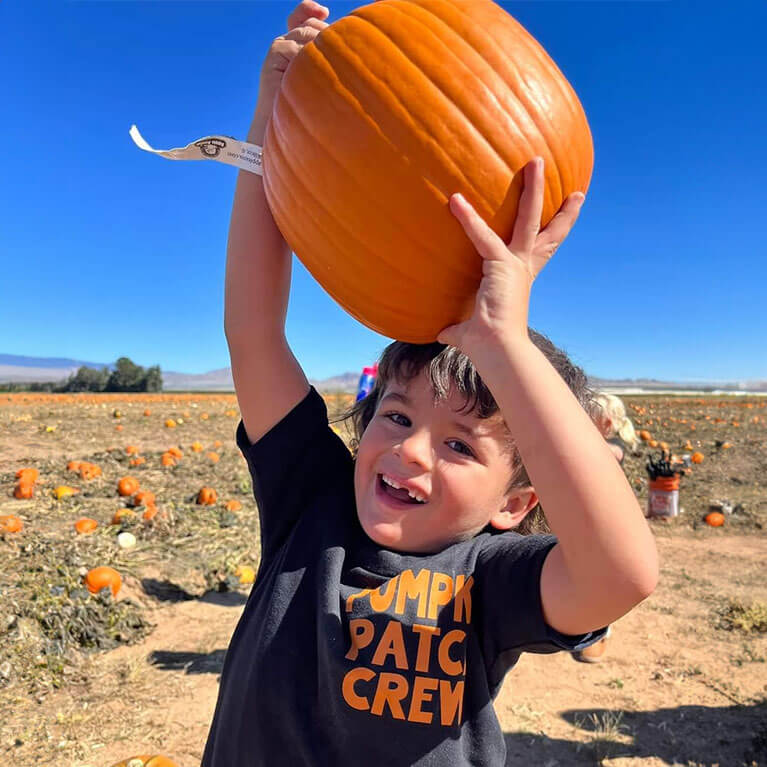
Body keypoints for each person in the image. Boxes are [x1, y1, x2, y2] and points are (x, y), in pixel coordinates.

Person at [203, 2, 659, 764]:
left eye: (458, 443)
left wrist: (501, 340)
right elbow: (252, 330)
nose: (411, 451)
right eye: (394, 415)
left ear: (515, 502)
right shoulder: (307, 505)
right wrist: (269, 131)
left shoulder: (491, 583)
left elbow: (622, 573)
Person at [570, 392, 638, 664]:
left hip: (607, 525)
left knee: (599, 579)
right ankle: (577, 625)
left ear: (607, 424)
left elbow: (588, 454)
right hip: (583, 521)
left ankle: (599, 633)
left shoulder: (613, 447)